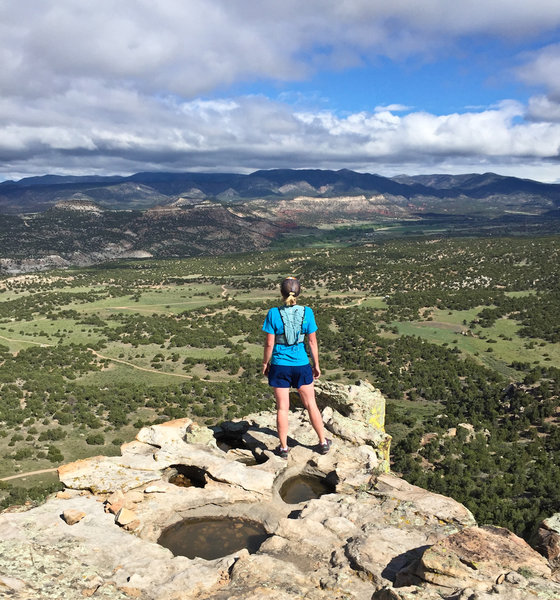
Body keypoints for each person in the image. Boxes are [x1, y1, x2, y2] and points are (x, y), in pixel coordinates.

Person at [262, 276, 331, 459]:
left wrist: (265, 363)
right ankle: (323, 443)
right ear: (299, 293)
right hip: (301, 364)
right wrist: (316, 364)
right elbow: (312, 341)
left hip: (280, 365)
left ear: (281, 292)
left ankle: (283, 448)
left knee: (282, 408)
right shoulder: (307, 312)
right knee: (311, 405)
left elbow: (269, 344)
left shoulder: (273, 313)